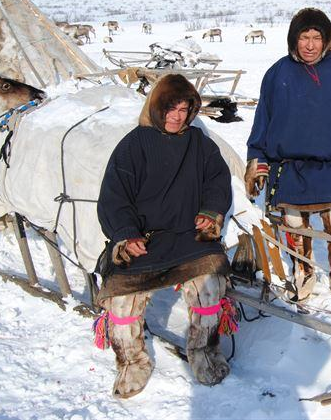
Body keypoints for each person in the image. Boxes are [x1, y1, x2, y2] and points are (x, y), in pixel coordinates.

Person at [96, 74, 233, 399]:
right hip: (144, 240)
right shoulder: (133, 145)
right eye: (170, 108)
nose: (177, 116)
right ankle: (132, 363)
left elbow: (218, 180)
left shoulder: (200, 144)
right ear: (156, 107)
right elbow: (114, 196)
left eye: (185, 109)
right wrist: (126, 234)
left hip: (189, 238)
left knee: (209, 289)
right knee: (122, 301)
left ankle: (204, 355)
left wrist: (212, 212)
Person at [245, 8, 331, 301]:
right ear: (294, 39)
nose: (310, 45)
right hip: (290, 170)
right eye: (304, 37)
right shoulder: (277, 73)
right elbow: (263, 123)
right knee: (295, 228)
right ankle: (302, 274)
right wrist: (258, 161)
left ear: (326, 39)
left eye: (317, 37)